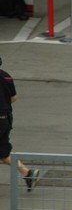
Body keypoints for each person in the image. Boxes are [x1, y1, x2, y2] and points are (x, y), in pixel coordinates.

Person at [1, 57, 39, 192]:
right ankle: (27, 174)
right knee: (3, 152)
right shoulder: (6, 77)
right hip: (6, 119)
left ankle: (28, 173)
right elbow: (14, 98)